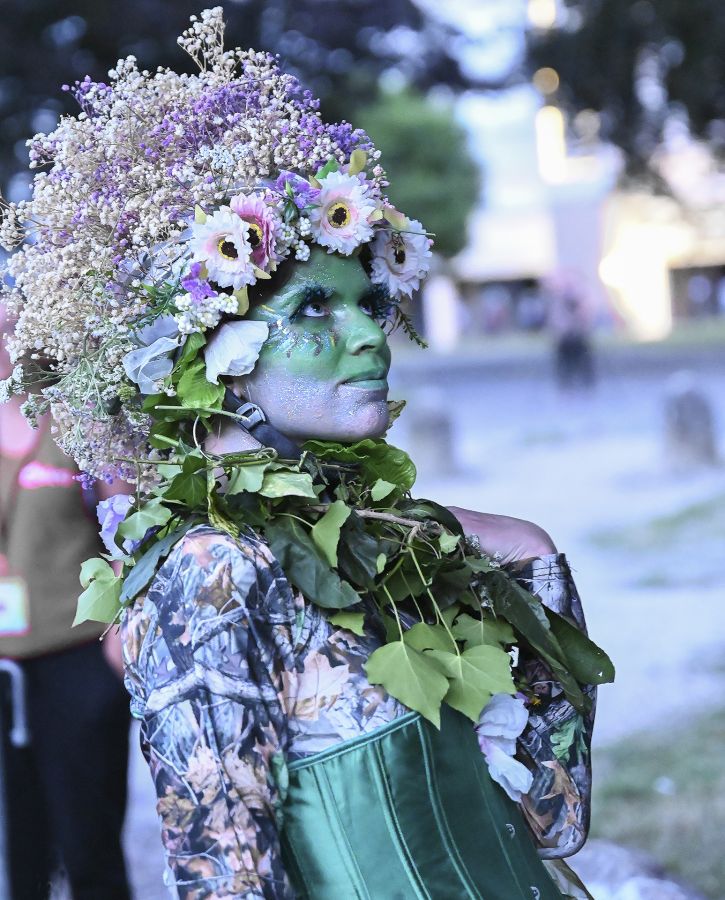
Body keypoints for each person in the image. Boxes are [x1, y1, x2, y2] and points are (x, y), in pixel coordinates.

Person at [1, 10, 612, 898]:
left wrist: (528, 553)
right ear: (206, 357)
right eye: (316, 311)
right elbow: (226, 879)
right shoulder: (209, 571)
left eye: (370, 300)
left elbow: (552, 818)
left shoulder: (403, 544)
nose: (372, 333)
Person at [0, 310, 131, 899]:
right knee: (16, 857)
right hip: (3, 670)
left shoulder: (77, 412)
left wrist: (123, 636)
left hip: (78, 657)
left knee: (88, 846)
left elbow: (133, 532)